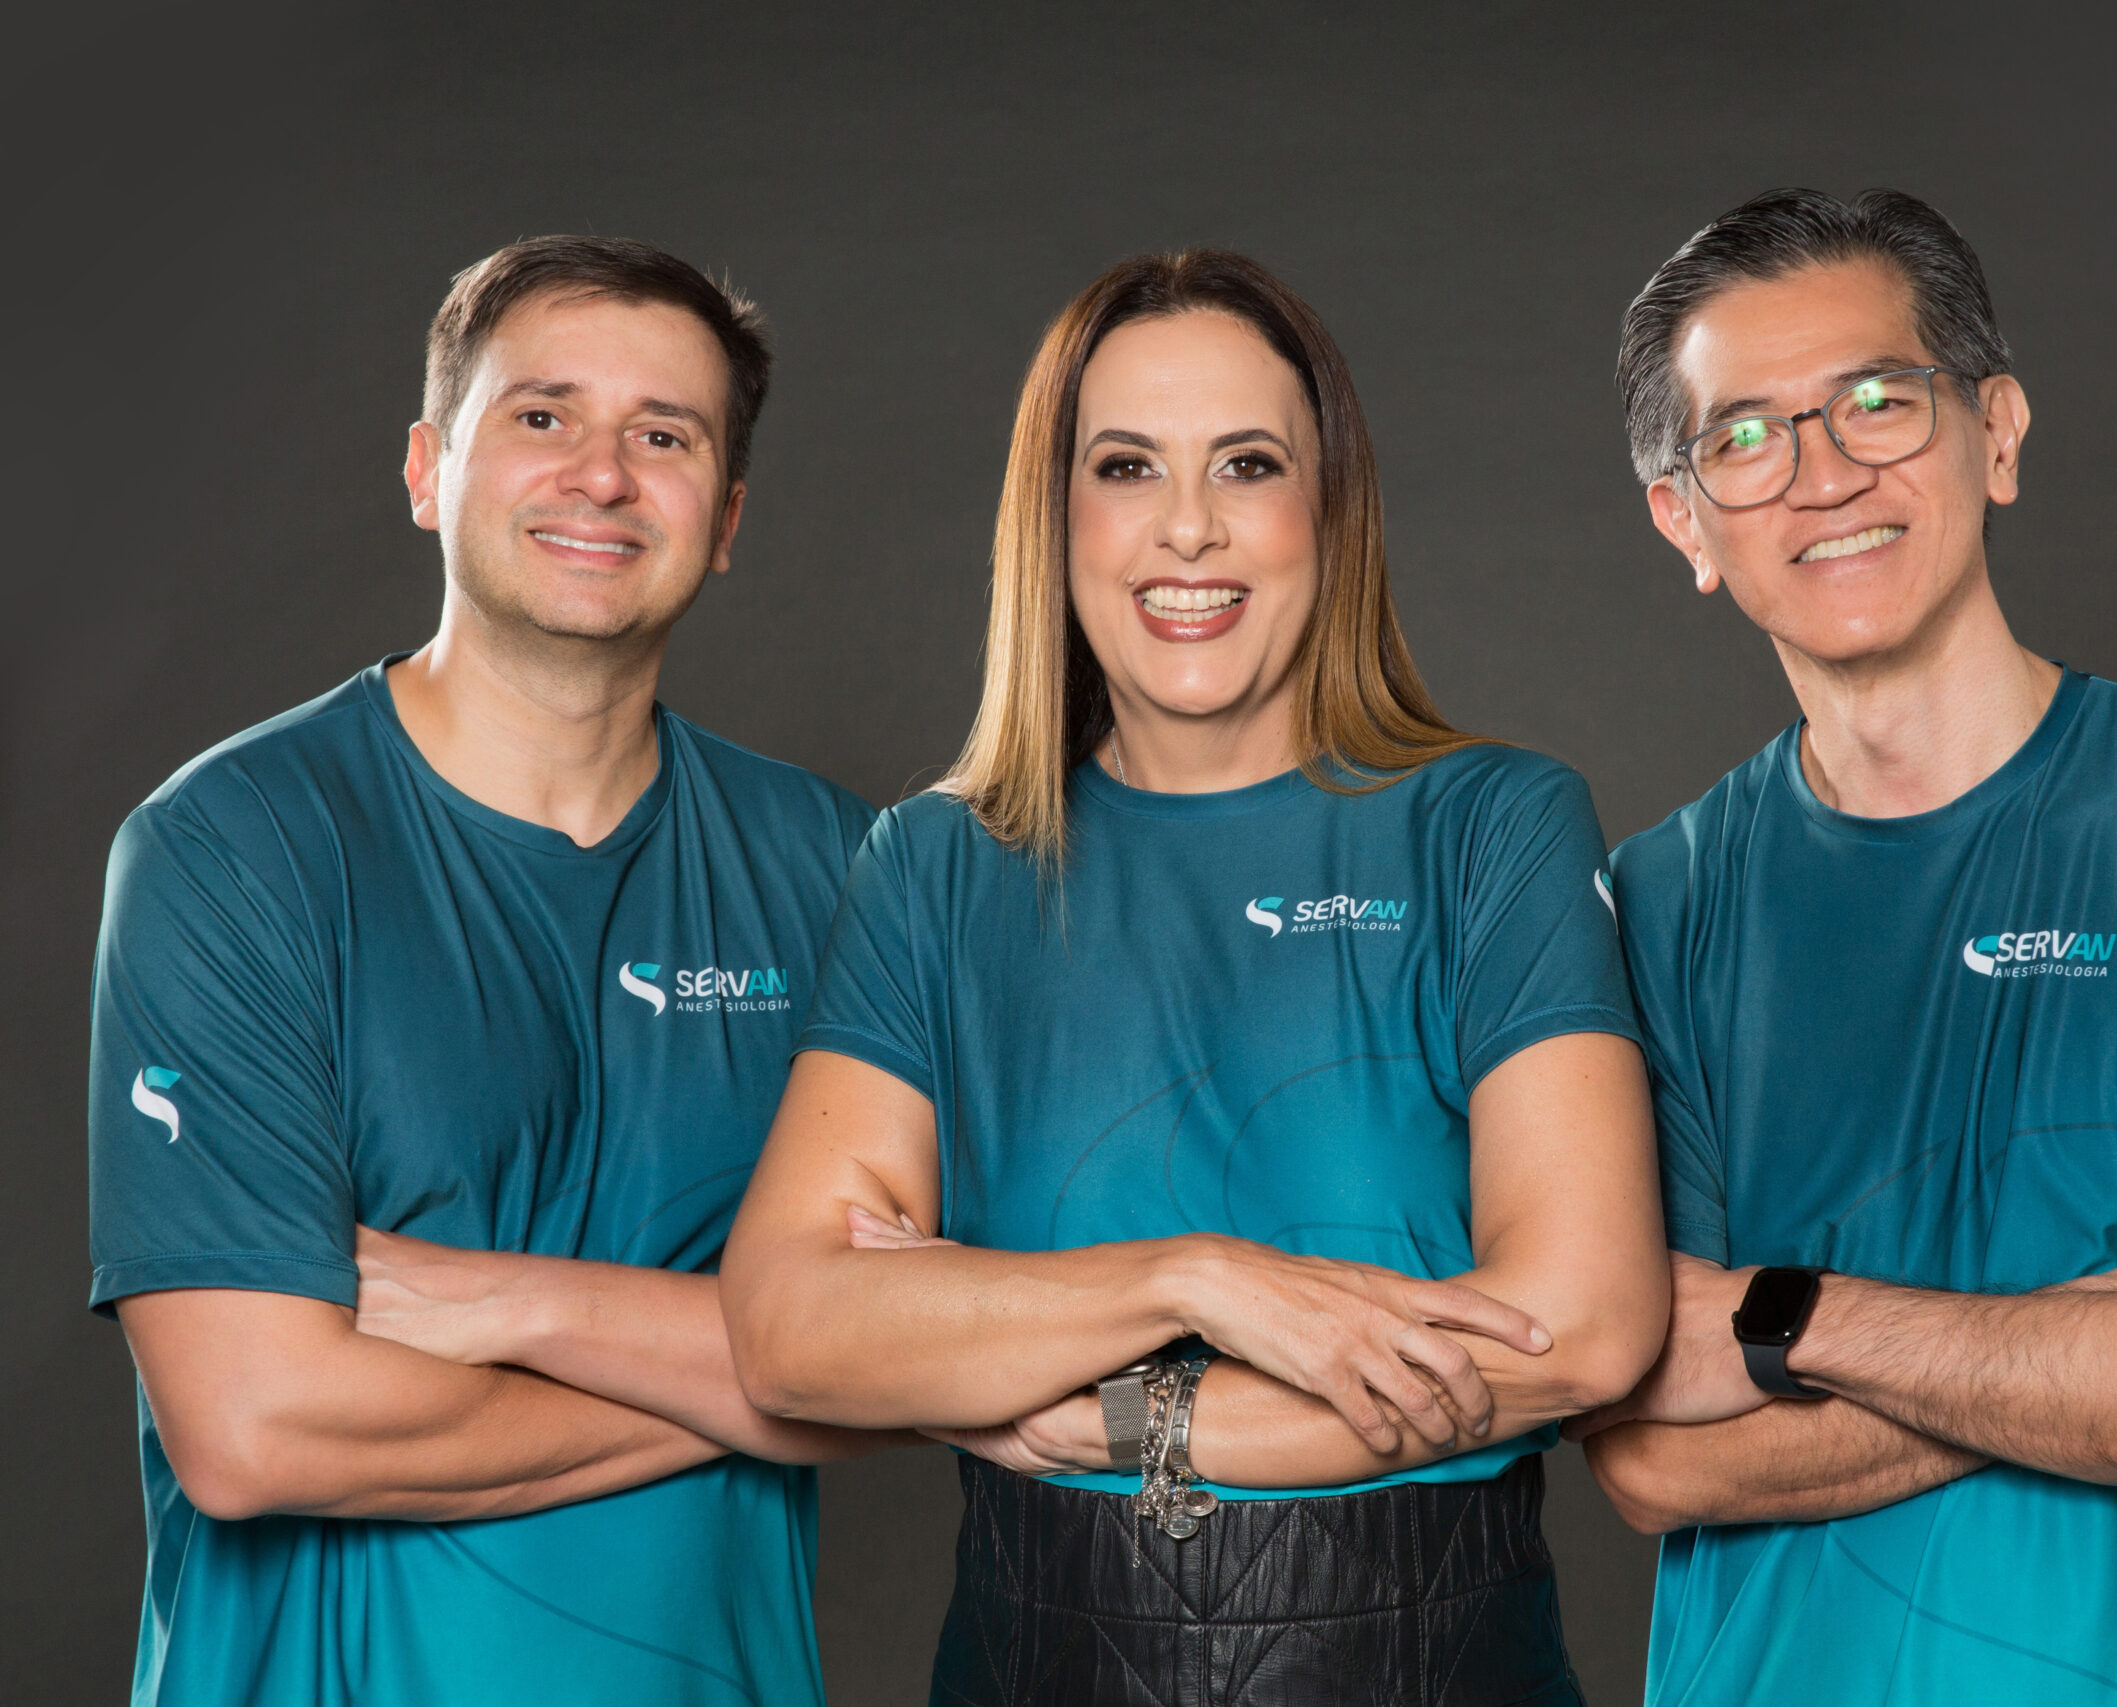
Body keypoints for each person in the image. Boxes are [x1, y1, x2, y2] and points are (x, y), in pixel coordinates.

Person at [719, 249, 1669, 1706]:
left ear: (1328, 509)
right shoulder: (934, 869)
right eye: (1125, 468)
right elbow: (791, 1330)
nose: (1187, 528)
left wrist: (1111, 1414)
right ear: (1055, 520)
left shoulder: (1494, 825)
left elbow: (1581, 1327)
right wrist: (1202, 1282)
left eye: (1246, 464)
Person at [1571, 187, 2117, 1706]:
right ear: (1685, 520)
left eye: (1878, 402)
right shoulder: (1650, 913)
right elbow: (1652, 1463)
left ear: (1998, 432)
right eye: (1746, 437)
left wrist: (1791, 1318)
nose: (1824, 475)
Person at [86, 235, 902, 1706]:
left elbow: (926, 1354)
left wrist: (512, 1302)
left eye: (665, 437)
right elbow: (255, 1429)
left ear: (724, 518)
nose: (602, 475)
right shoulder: (234, 849)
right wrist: (773, 1382)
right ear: (427, 469)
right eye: (543, 415)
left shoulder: (842, 867)